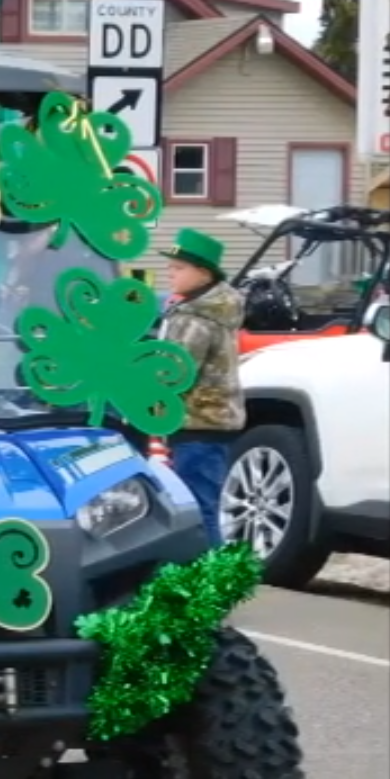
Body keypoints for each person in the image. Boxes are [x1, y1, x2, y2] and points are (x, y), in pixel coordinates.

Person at [158, 228, 246, 547]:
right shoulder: (204, 310)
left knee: (198, 506)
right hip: (210, 423)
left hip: (199, 422)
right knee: (201, 501)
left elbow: (174, 372)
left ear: (203, 273)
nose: (171, 272)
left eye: (179, 268)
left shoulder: (197, 318)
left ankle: (208, 582)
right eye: (171, 266)